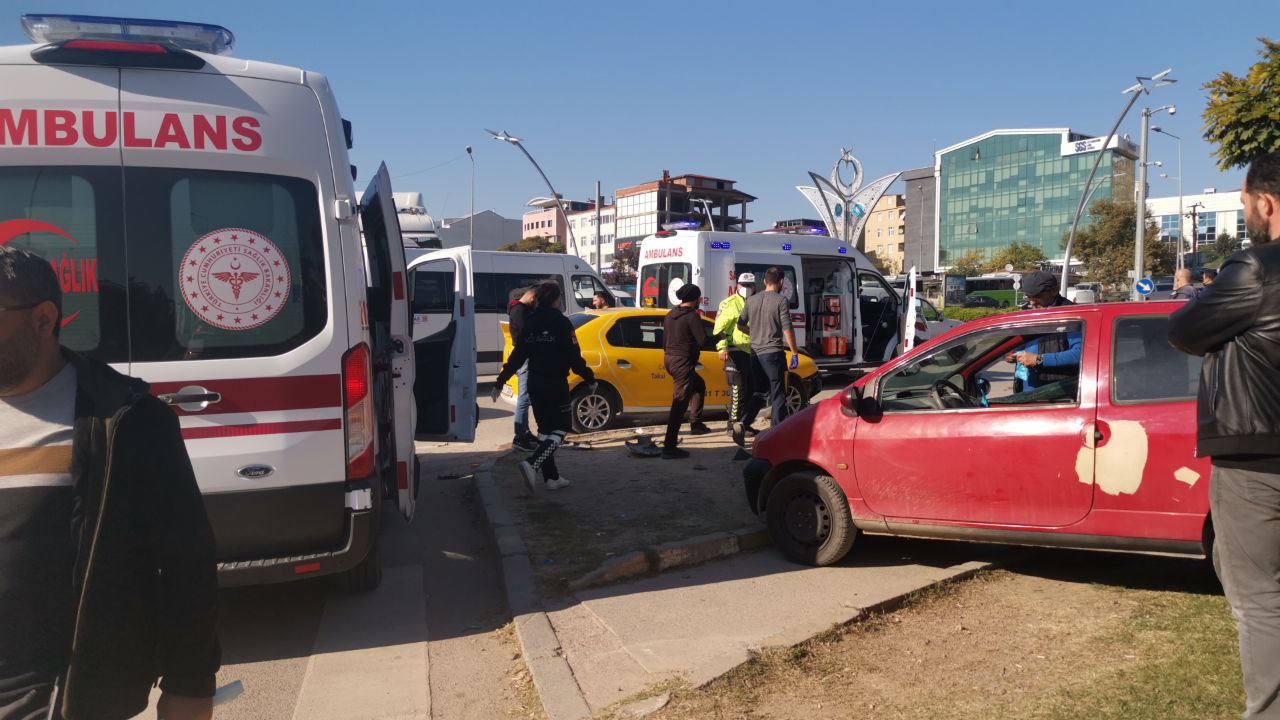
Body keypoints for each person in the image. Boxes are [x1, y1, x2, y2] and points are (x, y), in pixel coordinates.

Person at [0, 246, 219, 720]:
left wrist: (190, 687)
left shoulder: (126, 420)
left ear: (42, 320)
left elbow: (186, 565)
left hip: (53, 698)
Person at [1168, 150, 1280, 720]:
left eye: (1244, 203)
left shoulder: (1257, 268)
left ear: (1265, 202)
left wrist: (1192, 292)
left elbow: (1185, 331)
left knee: (1260, 599)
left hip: (1258, 459)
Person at [492, 281, 596, 491]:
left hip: (535, 383)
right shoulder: (562, 323)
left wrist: (500, 381)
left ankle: (552, 478)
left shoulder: (530, 322)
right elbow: (573, 356)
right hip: (555, 383)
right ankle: (532, 463)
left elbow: (517, 356)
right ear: (557, 300)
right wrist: (589, 377)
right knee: (561, 428)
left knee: (544, 431)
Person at [738, 267, 800, 427]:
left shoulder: (751, 300)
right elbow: (787, 328)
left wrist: (755, 333)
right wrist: (794, 352)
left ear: (765, 281)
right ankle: (777, 431)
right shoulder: (781, 301)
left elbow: (740, 324)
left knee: (759, 392)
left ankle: (743, 423)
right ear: (781, 282)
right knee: (778, 393)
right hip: (773, 353)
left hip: (755, 353)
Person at [1004, 271, 1081, 393]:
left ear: (1054, 291)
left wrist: (1040, 360)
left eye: (1037, 296)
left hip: (1057, 393)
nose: (1032, 302)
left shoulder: (1071, 315)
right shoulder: (1032, 313)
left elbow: (1080, 354)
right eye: (1029, 297)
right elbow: (1022, 343)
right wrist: (1011, 353)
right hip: (1028, 391)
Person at [660, 283, 710, 459]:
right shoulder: (692, 317)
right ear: (695, 300)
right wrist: (720, 337)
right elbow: (703, 341)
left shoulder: (670, 315)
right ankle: (669, 447)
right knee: (679, 402)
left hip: (669, 359)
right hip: (683, 362)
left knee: (698, 385)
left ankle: (696, 423)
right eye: (699, 299)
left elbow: (664, 341)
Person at [714, 273, 761, 447]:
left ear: (755, 287)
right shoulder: (729, 303)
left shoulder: (756, 301)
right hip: (734, 352)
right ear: (737, 286)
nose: (746, 289)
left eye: (749, 285)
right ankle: (732, 427)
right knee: (737, 392)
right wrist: (722, 347)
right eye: (743, 285)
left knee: (751, 392)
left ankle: (744, 424)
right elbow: (719, 327)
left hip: (752, 352)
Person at [508, 286, 538, 452]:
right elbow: (526, 336)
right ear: (532, 296)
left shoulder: (519, 309)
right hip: (524, 357)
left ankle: (525, 432)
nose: (536, 304)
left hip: (524, 356)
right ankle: (519, 437)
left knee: (525, 398)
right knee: (524, 398)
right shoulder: (519, 311)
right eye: (536, 300)